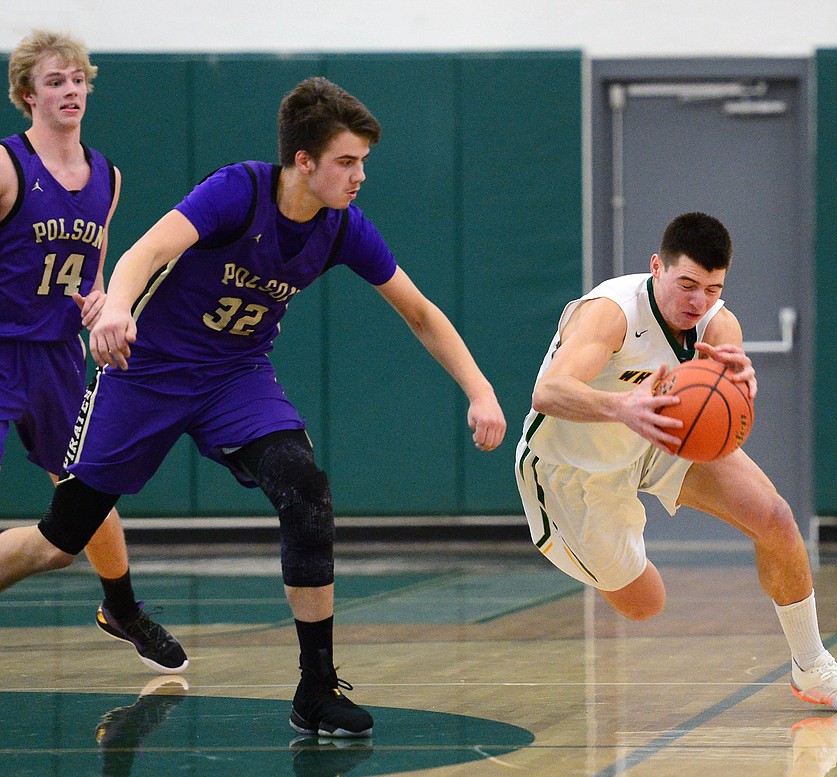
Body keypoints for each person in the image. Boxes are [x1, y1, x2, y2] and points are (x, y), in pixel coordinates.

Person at [0, 76, 507, 737]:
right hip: (146, 374)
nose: (359, 177)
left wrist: (481, 389)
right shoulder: (239, 190)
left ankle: (316, 687)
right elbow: (146, 251)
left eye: (362, 163)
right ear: (304, 161)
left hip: (235, 378)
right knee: (60, 542)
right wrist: (117, 305)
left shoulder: (341, 228)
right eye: (347, 162)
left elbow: (419, 311)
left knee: (306, 490)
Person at [515, 212, 837, 714]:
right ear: (657, 268)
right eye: (687, 284)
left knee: (774, 518)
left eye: (712, 288)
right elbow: (547, 391)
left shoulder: (718, 323)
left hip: (661, 437)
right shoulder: (612, 311)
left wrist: (740, 388)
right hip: (572, 468)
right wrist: (624, 407)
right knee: (646, 605)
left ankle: (812, 665)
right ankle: (585, 548)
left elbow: (720, 405)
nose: (698, 302)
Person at [2, 30, 186, 672]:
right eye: (55, 82)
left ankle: (123, 608)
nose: (70, 90)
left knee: (87, 484)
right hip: (1, 349)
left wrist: (99, 303)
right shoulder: (6, 165)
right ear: (28, 95)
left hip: (55, 354)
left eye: (77, 79)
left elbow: (95, 270)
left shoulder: (106, 176)